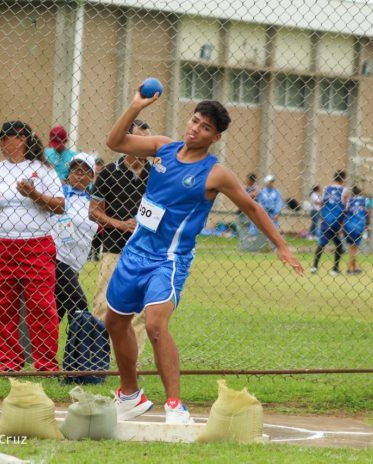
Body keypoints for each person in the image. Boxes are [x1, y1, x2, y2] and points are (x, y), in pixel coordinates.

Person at [103, 90, 303, 424]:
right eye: (195, 120)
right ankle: (129, 395)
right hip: (135, 250)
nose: (195, 128)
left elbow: (251, 207)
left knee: (154, 324)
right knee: (114, 322)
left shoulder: (215, 174)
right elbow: (115, 142)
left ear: (215, 137)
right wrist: (136, 105)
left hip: (169, 259)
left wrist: (281, 245)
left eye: (205, 127)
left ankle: (175, 404)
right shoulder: (163, 147)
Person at [0, 121, 65, 373]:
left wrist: (34, 195)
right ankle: (10, 360)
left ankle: (45, 363)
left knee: (41, 305)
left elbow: (59, 206)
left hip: (36, 245)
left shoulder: (43, 170)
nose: (1, 143)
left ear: (21, 139)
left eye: (6, 138)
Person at [89, 119, 152, 362]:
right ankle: (96, 359)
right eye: (139, 139)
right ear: (126, 142)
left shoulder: (156, 173)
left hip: (147, 252)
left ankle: (129, 366)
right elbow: (93, 210)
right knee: (103, 306)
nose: (145, 145)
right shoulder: (109, 174)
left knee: (140, 313)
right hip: (114, 249)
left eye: (147, 140)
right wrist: (120, 224)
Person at [53, 152, 99, 321]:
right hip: (57, 259)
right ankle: (82, 347)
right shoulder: (60, 194)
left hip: (75, 265)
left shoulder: (95, 201)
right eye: (75, 171)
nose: (79, 175)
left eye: (84, 171)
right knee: (79, 306)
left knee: (55, 314)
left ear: (92, 176)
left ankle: (41, 346)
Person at [311, 170, 350, 276]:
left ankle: (314, 267)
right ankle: (335, 269)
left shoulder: (326, 188)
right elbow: (346, 208)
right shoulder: (344, 190)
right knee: (339, 245)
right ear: (343, 179)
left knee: (322, 243)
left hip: (326, 220)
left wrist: (323, 215)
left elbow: (321, 203)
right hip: (336, 221)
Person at [251, 175, 284, 250]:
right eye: (270, 182)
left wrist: (277, 213)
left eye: (272, 182)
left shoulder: (276, 192)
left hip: (272, 213)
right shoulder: (262, 191)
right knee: (255, 223)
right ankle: (253, 238)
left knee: (274, 228)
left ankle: (275, 246)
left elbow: (279, 202)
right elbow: (259, 201)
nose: (271, 183)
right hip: (263, 211)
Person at [344, 186, 370, 275]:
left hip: (348, 225)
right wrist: (367, 224)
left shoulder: (349, 200)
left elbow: (345, 212)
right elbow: (367, 212)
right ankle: (349, 269)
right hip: (359, 225)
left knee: (352, 247)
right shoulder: (364, 201)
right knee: (354, 249)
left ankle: (354, 268)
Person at [88, 157, 105, 262]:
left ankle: (96, 253)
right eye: (97, 165)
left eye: (100, 165)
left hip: (101, 210)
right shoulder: (90, 180)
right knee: (92, 233)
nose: (98, 167)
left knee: (99, 233)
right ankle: (90, 253)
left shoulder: (104, 180)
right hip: (90, 209)